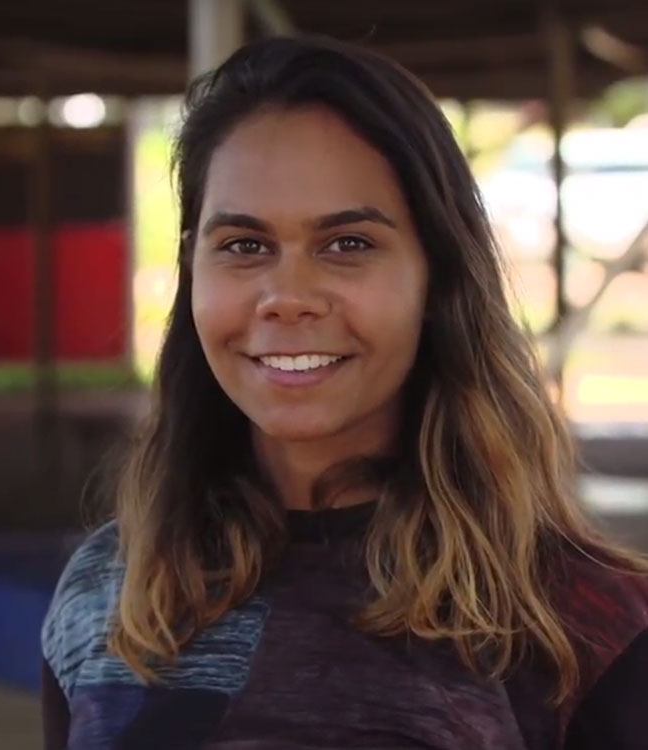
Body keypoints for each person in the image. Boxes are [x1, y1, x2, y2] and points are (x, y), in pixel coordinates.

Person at [40, 35, 648, 750]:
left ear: (437, 276)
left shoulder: (583, 623)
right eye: (244, 245)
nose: (287, 297)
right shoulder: (105, 593)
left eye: (348, 244)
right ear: (192, 270)